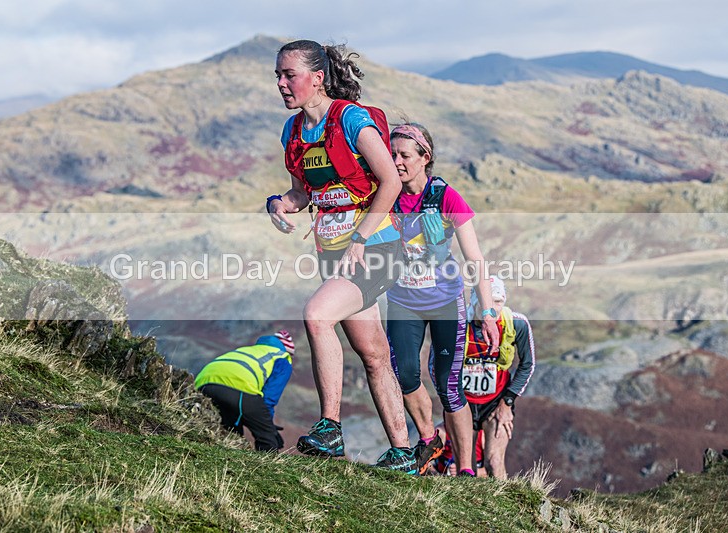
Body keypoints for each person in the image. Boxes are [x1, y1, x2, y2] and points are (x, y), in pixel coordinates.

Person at [267, 39, 416, 472]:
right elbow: (301, 193)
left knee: (316, 315)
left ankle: (330, 429)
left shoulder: (351, 120)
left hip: (378, 247)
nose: (281, 83)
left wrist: (362, 236)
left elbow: (389, 181)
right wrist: (280, 203)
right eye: (277, 75)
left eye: (288, 74)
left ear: (317, 78)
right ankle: (404, 454)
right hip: (335, 255)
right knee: (372, 353)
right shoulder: (292, 133)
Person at [385, 122, 500, 476]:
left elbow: (475, 258)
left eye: (404, 155)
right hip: (403, 300)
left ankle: (465, 470)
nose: (396, 162)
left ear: (425, 158)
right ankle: (430, 439)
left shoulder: (446, 196)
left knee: (448, 384)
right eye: (392, 155)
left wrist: (489, 312)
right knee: (402, 373)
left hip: (446, 301)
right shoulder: (385, 193)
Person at [462, 276, 535, 479]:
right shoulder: (458, 325)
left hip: (496, 403)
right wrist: (451, 405)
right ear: (474, 302)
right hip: (463, 405)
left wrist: (507, 403)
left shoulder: (517, 324)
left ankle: (507, 509)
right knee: (467, 470)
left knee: (494, 462)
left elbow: (528, 364)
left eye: (498, 302)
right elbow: (436, 366)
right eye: (486, 301)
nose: (492, 308)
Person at [195, 330, 295, 452]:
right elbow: (269, 398)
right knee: (268, 440)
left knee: (230, 432)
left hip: (203, 383)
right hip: (238, 385)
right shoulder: (282, 358)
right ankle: (265, 468)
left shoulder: (249, 350)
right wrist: (268, 427)